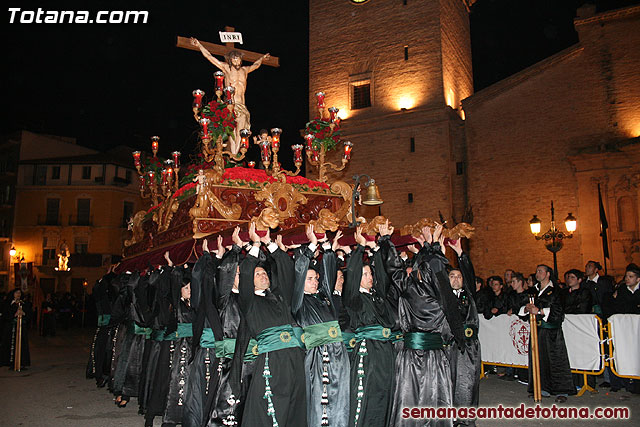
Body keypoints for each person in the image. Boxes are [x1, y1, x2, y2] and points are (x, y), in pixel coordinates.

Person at [234, 223, 307, 427]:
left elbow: (286, 270)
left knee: (296, 407)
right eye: (258, 275)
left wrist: (270, 243)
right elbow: (246, 271)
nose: (263, 275)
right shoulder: (248, 301)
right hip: (271, 362)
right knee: (271, 409)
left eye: (264, 273)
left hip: (295, 358)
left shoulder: (279, 297)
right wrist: (255, 244)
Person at [387, 223, 458, 427]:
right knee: (434, 396)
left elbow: (394, 269)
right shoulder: (443, 294)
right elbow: (437, 269)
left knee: (411, 395)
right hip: (436, 356)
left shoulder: (411, 290)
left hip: (413, 355)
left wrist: (386, 241)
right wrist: (431, 245)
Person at [293, 226, 350, 427]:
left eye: (315, 279)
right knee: (319, 400)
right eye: (309, 279)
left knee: (340, 397)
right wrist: (311, 245)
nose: (315, 282)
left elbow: (328, 275)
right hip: (317, 355)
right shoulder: (298, 301)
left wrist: (327, 247)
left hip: (338, 353)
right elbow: (300, 270)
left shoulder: (323, 298)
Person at [344, 224, 396, 427]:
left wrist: (376, 250)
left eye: (370, 274)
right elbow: (352, 273)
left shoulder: (377, 297)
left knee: (384, 390)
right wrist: (359, 249)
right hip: (368, 352)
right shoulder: (354, 299)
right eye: (365, 275)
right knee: (367, 392)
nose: (370, 278)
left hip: (384, 351)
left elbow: (383, 277)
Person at [190, 37, 270, 154]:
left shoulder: (245, 70)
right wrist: (199, 45)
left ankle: (236, 154)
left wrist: (262, 58)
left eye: (238, 59)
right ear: (230, 60)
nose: (237, 62)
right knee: (232, 130)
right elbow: (210, 57)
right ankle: (233, 154)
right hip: (230, 104)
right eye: (234, 59)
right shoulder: (226, 68)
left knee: (241, 131)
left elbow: (256, 64)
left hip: (242, 105)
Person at [518, 265, 575, 403]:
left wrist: (539, 311)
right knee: (539, 359)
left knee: (555, 360)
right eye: (536, 271)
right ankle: (541, 387)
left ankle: (562, 390)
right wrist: (526, 308)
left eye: (540, 271)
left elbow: (558, 311)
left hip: (551, 331)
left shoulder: (556, 291)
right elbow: (522, 307)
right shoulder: (533, 291)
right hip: (536, 330)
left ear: (548, 274)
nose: (537, 273)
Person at [446, 239, 481, 427]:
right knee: (449, 381)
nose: (456, 279)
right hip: (450, 346)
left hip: (469, 347)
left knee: (468, 382)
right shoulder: (444, 299)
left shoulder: (470, 296)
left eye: (459, 277)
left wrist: (461, 254)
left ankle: (467, 419)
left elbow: (469, 273)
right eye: (452, 276)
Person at [0, 288, 31, 369]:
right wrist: (14, 315)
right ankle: (10, 362)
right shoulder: (8, 304)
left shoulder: (23, 303)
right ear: (13, 294)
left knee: (22, 344)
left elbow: (29, 315)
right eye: (16, 293)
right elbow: (4, 316)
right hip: (11, 328)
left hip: (21, 327)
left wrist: (23, 313)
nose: (18, 294)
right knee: (10, 344)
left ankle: (21, 362)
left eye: (19, 293)